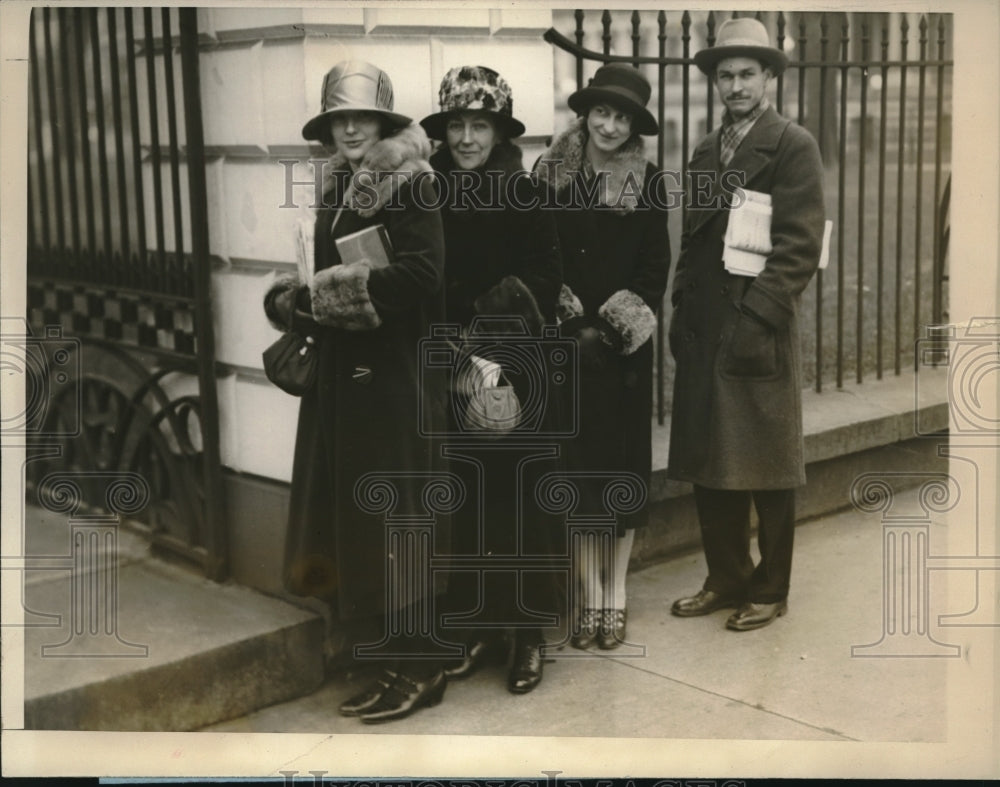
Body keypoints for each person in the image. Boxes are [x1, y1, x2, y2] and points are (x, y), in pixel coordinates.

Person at [264, 60, 450, 722]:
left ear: (383, 123)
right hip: (347, 383)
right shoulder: (337, 183)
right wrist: (297, 297)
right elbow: (322, 271)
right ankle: (388, 661)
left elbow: (424, 275)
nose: (349, 128)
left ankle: (423, 666)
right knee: (366, 526)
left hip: (395, 380)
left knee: (400, 521)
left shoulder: (413, 183)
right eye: (339, 117)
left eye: (361, 117)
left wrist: (333, 300)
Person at [667, 18, 826, 631]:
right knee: (712, 461)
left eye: (746, 74)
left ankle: (770, 586)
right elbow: (691, 239)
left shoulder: (792, 145)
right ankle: (725, 577)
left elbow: (799, 246)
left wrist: (758, 318)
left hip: (758, 324)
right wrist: (681, 305)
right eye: (725, 75)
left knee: (765, 463)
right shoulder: (707, 149)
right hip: (705, 326)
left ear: (768, 78)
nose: (735, 85)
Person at [420, 65, 563, 693]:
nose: (467, 137)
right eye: (457, 124)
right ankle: (478, 624)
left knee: (518, 500)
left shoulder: (524, 193)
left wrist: (482, 332)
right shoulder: (429, 190)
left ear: (499, 130)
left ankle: (528, 636)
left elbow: (543, 278)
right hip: (448, 369)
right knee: (470, 498)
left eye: (480, 124)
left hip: (509, 369)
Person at [536, 63, 670, 650]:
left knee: (617, 477)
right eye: (601, 113)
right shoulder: (550, 174)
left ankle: (613, 595)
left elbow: (653, 269)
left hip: (620, 356)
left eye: (621, 117)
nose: (609, 126)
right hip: (568, 346)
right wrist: (567, 319)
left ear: (634, 125)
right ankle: (586, 592)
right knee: (577, 475)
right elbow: (539, 253)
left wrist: (617, 326)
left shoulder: (648, 180)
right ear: (584, 114)